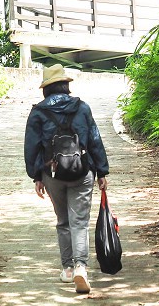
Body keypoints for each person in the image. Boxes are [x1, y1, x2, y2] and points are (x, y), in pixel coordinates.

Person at [23, 64, 109, 294]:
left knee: (63, 221)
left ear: (47, 89)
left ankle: (68, 268)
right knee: (79, 221)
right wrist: (102, 171)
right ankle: (82, 266)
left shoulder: (38, 112)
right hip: (82, 171)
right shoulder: (82, 107)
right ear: (66, 85)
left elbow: (31, 146)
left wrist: (36, 176)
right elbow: (94, 139)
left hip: (52, 173)